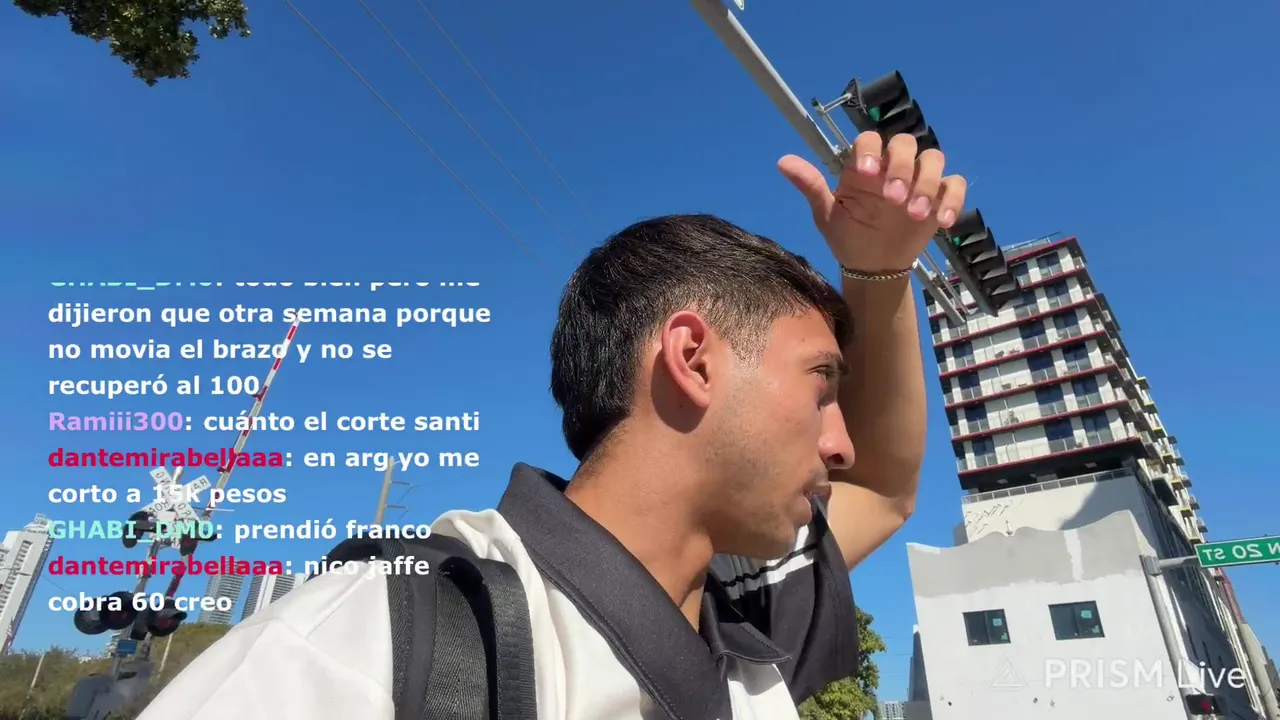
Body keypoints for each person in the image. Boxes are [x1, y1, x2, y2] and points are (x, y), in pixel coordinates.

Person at [137, 130, 967, 719]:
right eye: (822, 385)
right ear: (693, 359)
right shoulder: (360, 646)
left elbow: (883, 491)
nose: (841, 442)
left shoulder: (742, 618)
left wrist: (881, 272)